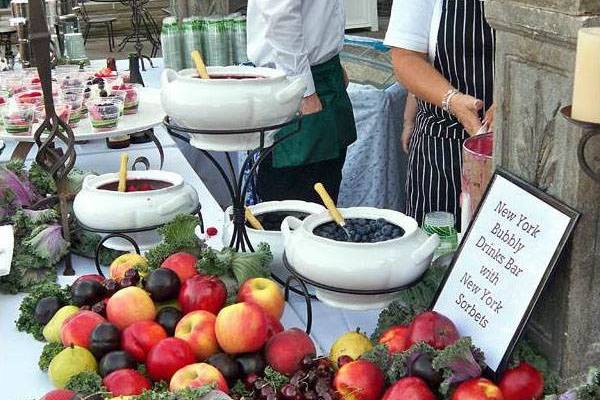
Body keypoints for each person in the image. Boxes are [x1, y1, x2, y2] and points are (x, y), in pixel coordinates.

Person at [385, 0, 496, 228]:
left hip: (521, 142)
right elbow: (405, 57)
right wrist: (452, 100)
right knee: (437, 250)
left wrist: (512, 98)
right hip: (442, 144)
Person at [246, 0, 356, 204]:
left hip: (322, 73)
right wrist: (304, 89)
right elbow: (280, 17)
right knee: (295, 198)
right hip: (294, 79)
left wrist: (332, 62)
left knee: (325, 186)